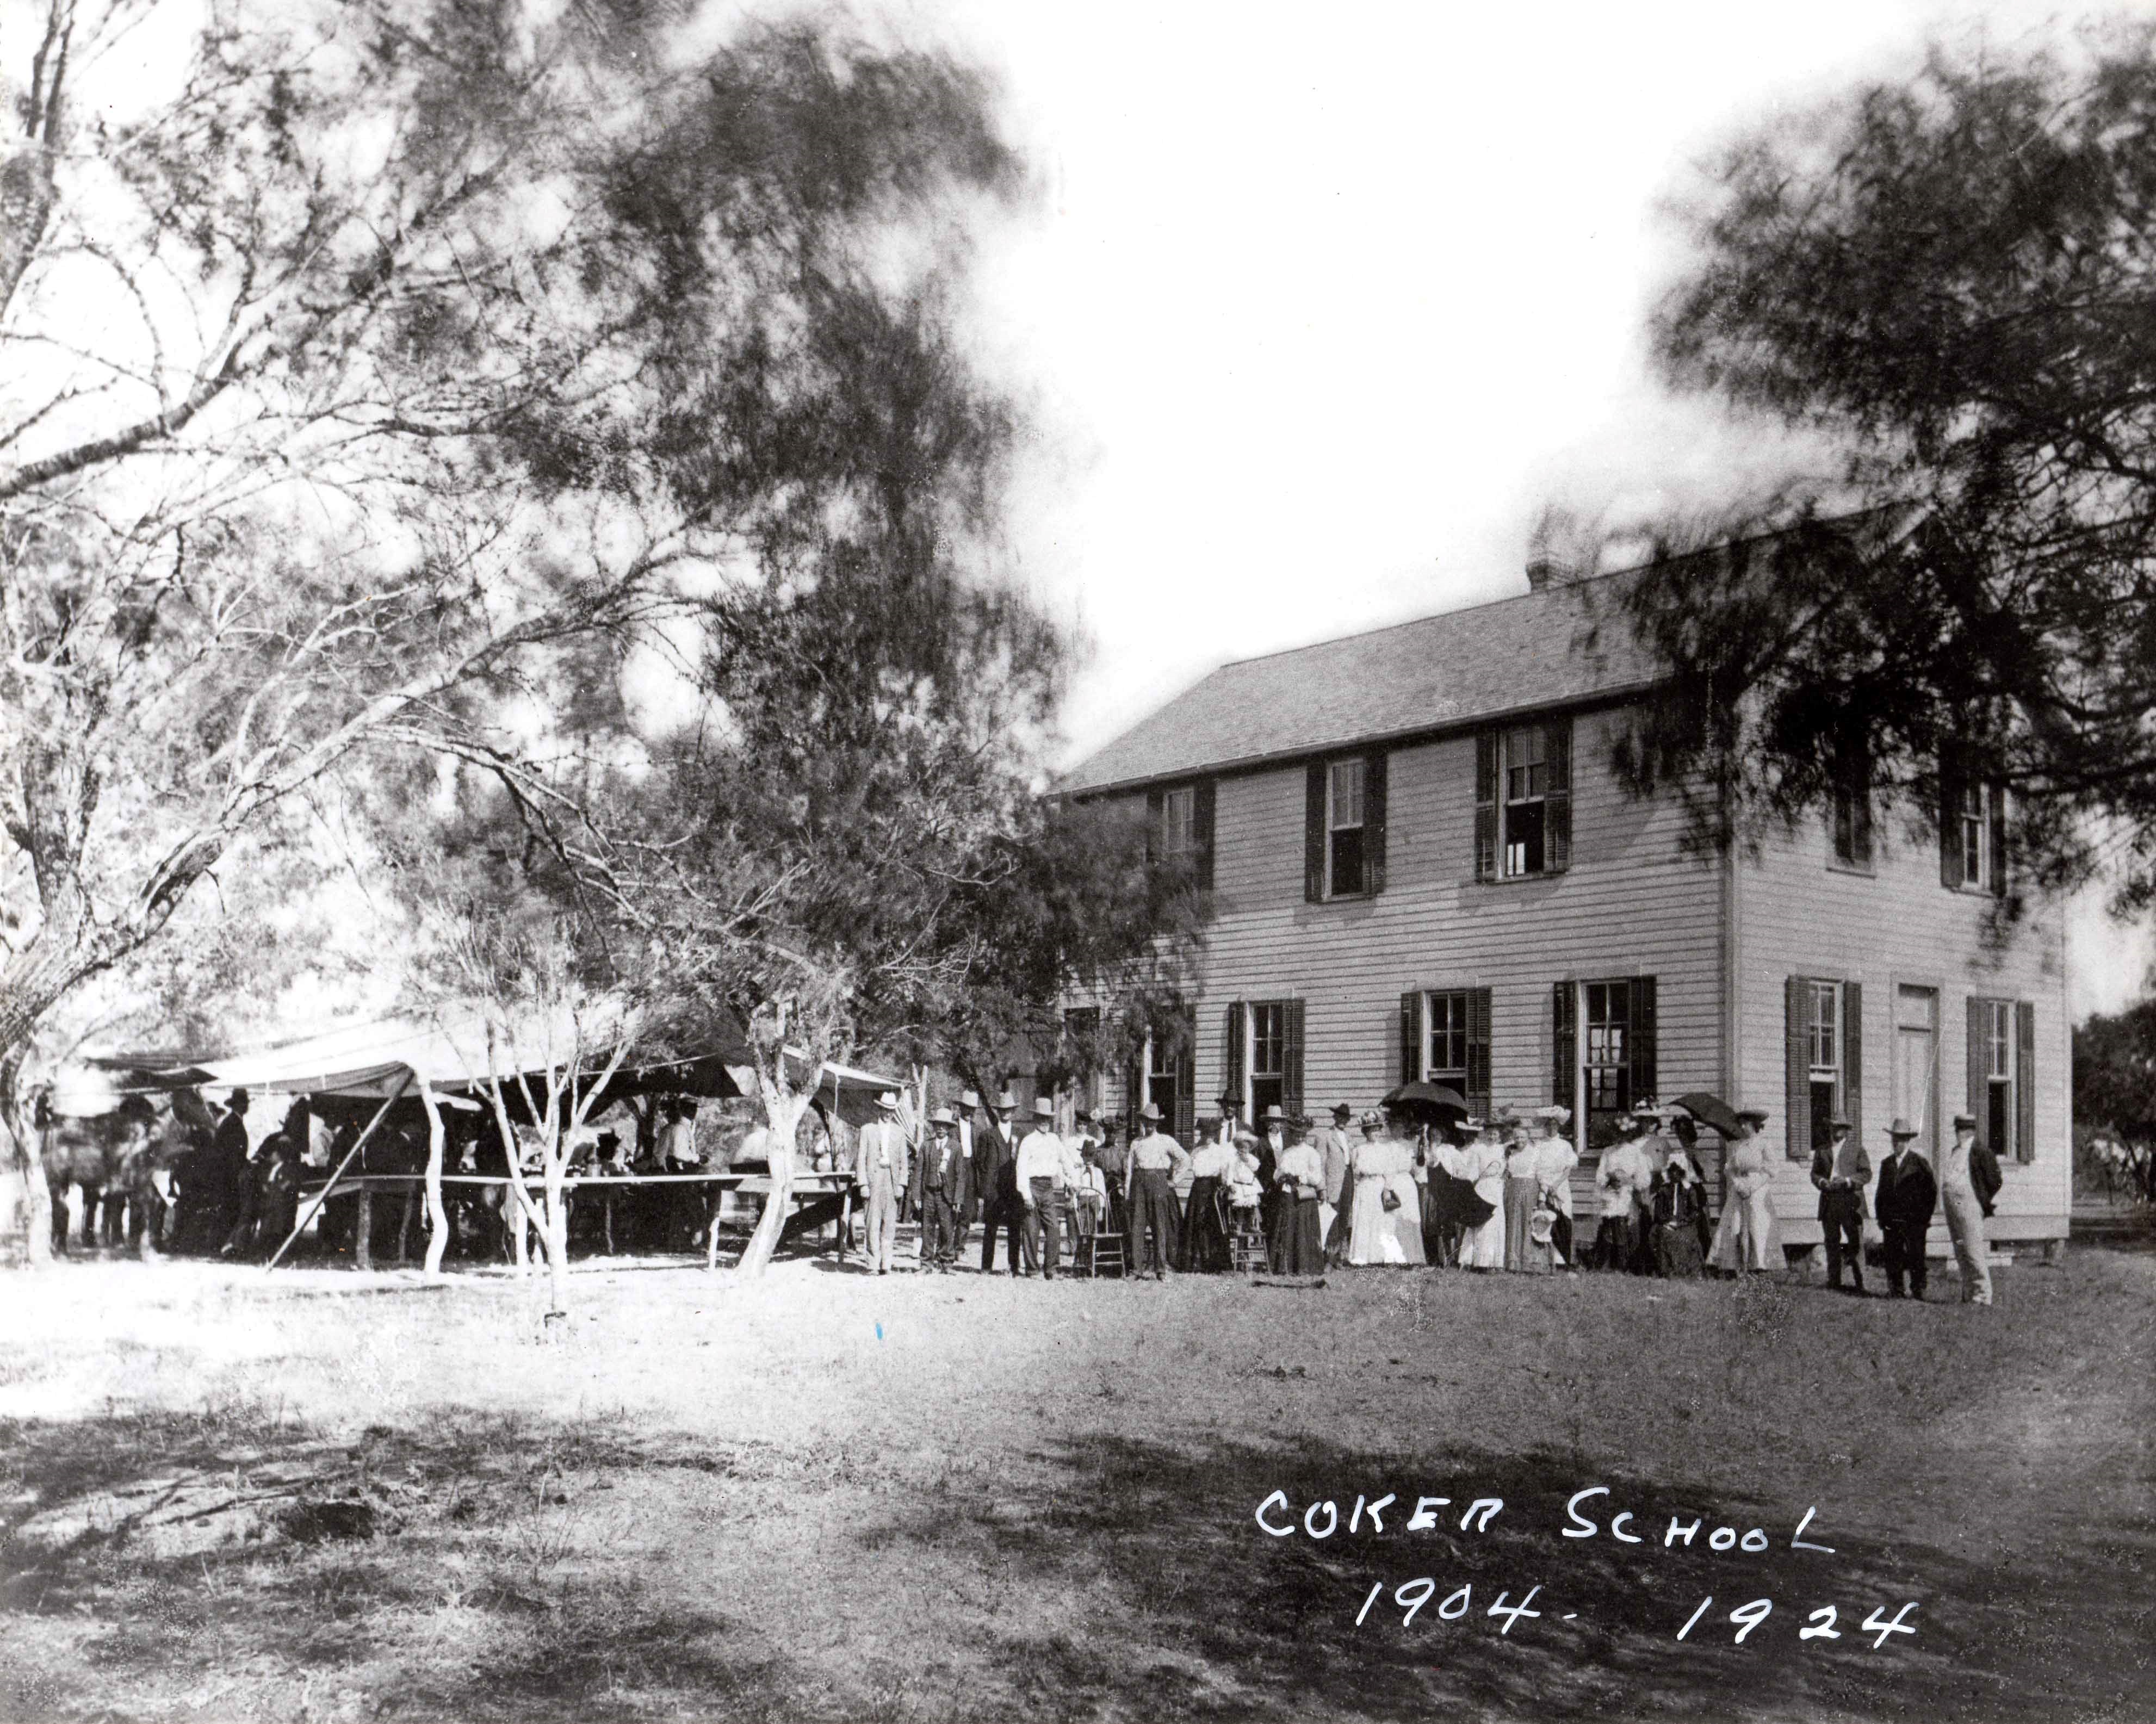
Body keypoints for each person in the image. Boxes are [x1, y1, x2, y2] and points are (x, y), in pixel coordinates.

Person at [1709, 1107, 1780, 1275]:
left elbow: (1771, 1170)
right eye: (1741, 1124)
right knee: (1734, 1222)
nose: (1742, 1128)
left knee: (1757, 1222)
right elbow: (1730, 1168)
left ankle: (1759, 1264)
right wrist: (1738, 1183)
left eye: (1746, 1124)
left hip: (1757, 1186)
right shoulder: (1737, 1145)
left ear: (1754, 1125)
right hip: (1739, 1185)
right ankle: (1734, 1264)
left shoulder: (1764, 1144)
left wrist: (1753, 1187)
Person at [1874, 1118, 1937, 1300]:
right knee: (1893, 1255)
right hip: (1892, 1219)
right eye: (1894, 1139)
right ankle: (1896, 1290)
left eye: (1901, 1139)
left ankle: (1918, 1290)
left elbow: (1931, 1192)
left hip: (1914, 1220)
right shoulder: (1887, 1164)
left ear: (1908, 1141)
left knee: (1916, 1255)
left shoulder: (1919, 1163)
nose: (1897, 1143)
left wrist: (1924, 1217)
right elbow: (1881, 1193)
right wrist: (1881, 1217)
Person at [1810, 1115, 1873, 1295]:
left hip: (1850, 1201)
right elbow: (1814, 1174)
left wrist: (1847, 1181)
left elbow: (1867, 1174)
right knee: (1831, 1241)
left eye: (1840, 1127)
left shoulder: (1857, 1149)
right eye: (1833, 1126)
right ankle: (1834, 1281)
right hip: (1829, 1201)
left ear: (1846, 1130)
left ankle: (1862, 1284)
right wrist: (1822, 1182)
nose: (1836, 1130)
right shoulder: (1822, 1150)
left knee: (1856, 1242)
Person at [1939, 1111, 1996, 1306]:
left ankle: (1983, 1294)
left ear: (1971, 1131)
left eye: (1963, 1129)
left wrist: (1981, 1199)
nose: (1960, 1133)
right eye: (1959, 1129)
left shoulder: (1980, 1151)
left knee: (1973, 1249)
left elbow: (1994, 1179)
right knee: (1960, 1248)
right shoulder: (1956, 1151)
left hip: (1969, 1204)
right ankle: (1969, 1292)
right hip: (1953, 1204)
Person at [1125, 1102, 1186, 1279]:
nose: (1150, 1125)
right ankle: (1136, 1269)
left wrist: (1174, 1181)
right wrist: (1128, 1194)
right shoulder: (1136, 1143)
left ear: (1157, 1123)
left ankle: (1161, 1270)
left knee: (1160, 1227)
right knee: (1137, 1228)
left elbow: (1185, 1159)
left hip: (1159, 1183)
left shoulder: (1166, 1141)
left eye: (1153, 1122)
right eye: (1147, 1121)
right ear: (1142, 1122)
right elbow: (1129, 1169)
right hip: (1139, 1184)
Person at [1014, 1097, 1073, 1280]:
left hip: (1048, 1188)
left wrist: (1073, 1180)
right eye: (1041, 1118)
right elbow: (1021, 1169)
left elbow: (1066, 1161)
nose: (1044, 1122)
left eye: (1047, 1119)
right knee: (1031, 1230)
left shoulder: (1055, 1140)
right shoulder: (1028, 1141)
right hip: (1032, 1187)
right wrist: (1026, 1195)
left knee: (1054, 1227)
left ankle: (1051, 1269)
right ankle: (1032, 1270)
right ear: (1035, 1119)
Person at [856, 1093, 910, 1275]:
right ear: (879, 1109)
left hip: (892, 1181)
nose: (888, 1114)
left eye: (891, 1111)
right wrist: (863, 1184)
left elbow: (904, 1161)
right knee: (872, 1222)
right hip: (874, 1180)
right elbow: (861, 1159)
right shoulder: (867, 1130)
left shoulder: (899, 1132)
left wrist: (902, 1184)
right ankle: (872, 1264)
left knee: (890, 1224)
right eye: (886, 1110)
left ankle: (887, 1264)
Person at [1593, 1113, 1652, 1271]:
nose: (1620, 1137)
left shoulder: (1635, 1152)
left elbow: (1644, 1178)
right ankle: (1605, 1263)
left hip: (1627, 1193)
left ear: (1629, 1134)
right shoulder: (1608, 1151)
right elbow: (1600, 1174)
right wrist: (1610, 1178)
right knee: (1608, 1226)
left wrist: (1629, 1181)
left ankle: (1623, 1265)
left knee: (1624, 1227)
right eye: (1617, 1134)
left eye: (1624, 1134)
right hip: (1611, 1192)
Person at [977, 1089, 1027, 1275]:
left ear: (1013, 1112)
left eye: (1009, 1110)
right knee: (991, 1227)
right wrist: (984, 1191)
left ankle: (1014, 1266)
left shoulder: (1021, 1135)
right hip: (994, 1188)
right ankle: (986, 1266)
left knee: (1015, 1228)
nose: (1006, 1113)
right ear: (998, 1112)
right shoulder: (988, 1135)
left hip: (1014, 1188)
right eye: (1002, 1110)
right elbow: (981, 1165)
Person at [1269, 1121, 1326, 1274]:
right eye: (1296, 1136)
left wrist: (1301, 1177)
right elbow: (1277, 1172)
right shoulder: (1286, 1153)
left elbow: (1316, 1177)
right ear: (1292, 1135)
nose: (1299, 1139)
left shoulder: (1312, 1153)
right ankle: (1286, 1267)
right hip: (1288, 1193)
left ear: (1306, 1136)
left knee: (1303, 1228)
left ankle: (1304, 1266)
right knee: (1288, 1227)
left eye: (1302, 1136)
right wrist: (1283, 1176)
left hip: (1304, 1195)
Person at [916, 1107, 969, 1270]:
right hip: (929, 1194)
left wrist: (958, 1199)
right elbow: (918, 1172)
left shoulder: (956, 1147)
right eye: (938, 1125)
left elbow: (961, 1176)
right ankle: (926, 1263)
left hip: (947, 1196)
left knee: (947, 1230)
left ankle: (946, 1262)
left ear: (949, 1128)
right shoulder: (927, 1146)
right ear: (934, 1126)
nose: (941, 1128)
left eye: (944, 1126)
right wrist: (916, 1196)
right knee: (927, 1229)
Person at [1179, 1127, 1237, 1272]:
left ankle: (1215, 1263)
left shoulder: (1220, 1151)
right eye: (1205, 1134)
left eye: (1211, 1134)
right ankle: (1195, 1263)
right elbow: (1191, 1169)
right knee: (1195, 1222)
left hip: (1213, 1189)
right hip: (1198, 1188)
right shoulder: (1196, 1151)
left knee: (1213, 1224)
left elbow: (1225, 1171)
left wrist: (1224, 1185)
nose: (1208, 1137)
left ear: (1215, 1135)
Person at [1648, 1143, 1708, 1276]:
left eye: (1678, 1171)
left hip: (1684, 1223)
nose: (1675, 1174)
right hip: (1667, 1223)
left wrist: (1681, 1222)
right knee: (1662, 1234)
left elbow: (1694, 1211)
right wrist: (1667, 1222)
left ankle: (1683, 1270)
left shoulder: (1689, 1189)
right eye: (1672, 1170)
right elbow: (1659, 1212)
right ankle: (1667, 1270)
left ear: (1682, 1172)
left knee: (1684, 1237)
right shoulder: (1664, 1190)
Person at [1531, 1106, 1578, 1269]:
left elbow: (1568, 1169)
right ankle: (1549, 1259)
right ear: (1545, 1126)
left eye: (1554, 1125)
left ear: (1559, 1126)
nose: (1551, 1128)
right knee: (1546, 1221)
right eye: (1548, 1125)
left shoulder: (1565, 1145)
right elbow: (1535, 1169)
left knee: (1564, 1222)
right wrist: (1545, 1187)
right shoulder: (1538, 1145)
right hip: (1543, 1187)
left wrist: (1556, 1185)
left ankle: (1566, 1260)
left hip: (1561, 1187)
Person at [1459, 1115, 1507, 1271]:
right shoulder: (1478, 1149)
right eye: (1490, 1133)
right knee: (1482, 1222)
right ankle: (1476, 1261)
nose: (1492, 1136)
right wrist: (1467, 1185)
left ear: (1499, 1135)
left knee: (1495, 1223)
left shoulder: (1503, 1150)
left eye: (1495, 1133)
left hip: (1497, 1187)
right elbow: (1473, 1171)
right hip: (1483, 1187)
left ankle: (1493, 1262)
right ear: (1485, 1134)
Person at [1502, 1118, 1545, 1273]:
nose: (1519, 1140)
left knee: (1528, 1223)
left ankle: (1529, 1262)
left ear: (1528, 1138)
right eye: (1517, 1137)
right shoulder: (1510, 1153)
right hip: (1512, 1190)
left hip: (1530, 1190)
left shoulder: (1535, 1153)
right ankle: (1513, 1262)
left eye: (1522, 1137)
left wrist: (1542, 1197)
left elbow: (1541, 1175)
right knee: (1513, 1222)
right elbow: (1506, 1172)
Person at [1317, 1103, 1355, 1247]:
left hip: (1348, 1179)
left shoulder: (1349, 1137)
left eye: (1346, 1118)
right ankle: (1329, 1256)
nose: (1343, 1121)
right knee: (1332, 1218)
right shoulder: (1326, 1136)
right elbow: (1320, 1165)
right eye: (1340, 1117)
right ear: (1335, 1117)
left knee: (1345, 1217)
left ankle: (1340, 1255)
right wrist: (1322, 1188)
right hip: (1333, 1182)